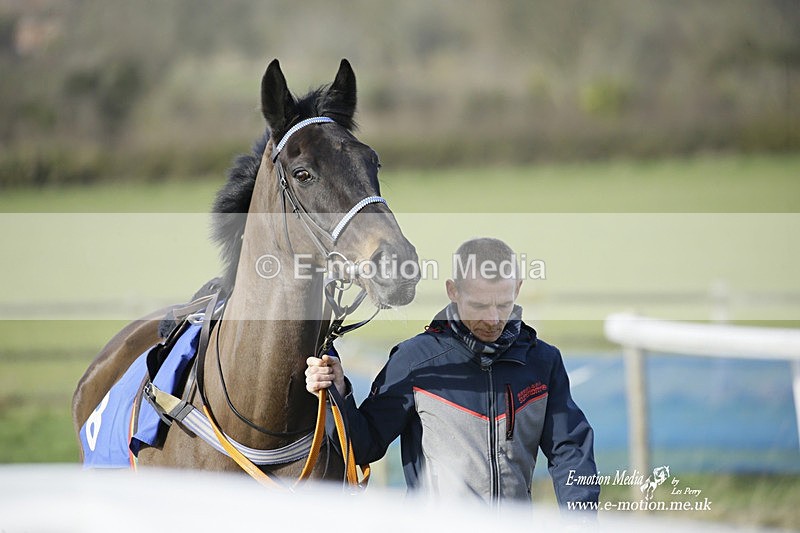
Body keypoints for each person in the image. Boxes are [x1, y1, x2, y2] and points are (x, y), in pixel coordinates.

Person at [306, 237, 599, 509]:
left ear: (518, 288)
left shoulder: (543, 361)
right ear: (453, 291)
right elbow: (363, 446)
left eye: (503, 304)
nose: (493, 319)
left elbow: (570, 450)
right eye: (480, 305)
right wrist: (337, 391)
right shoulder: (413, 360)